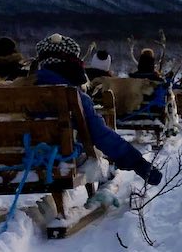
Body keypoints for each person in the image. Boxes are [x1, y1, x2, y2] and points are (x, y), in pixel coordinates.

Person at [33, 36, 161, 184]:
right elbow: (101, 135)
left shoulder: (20, 92)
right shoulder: (72, 96)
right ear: (70, 63)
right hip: (61, 159)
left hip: (22, 157)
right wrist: (138, 163)